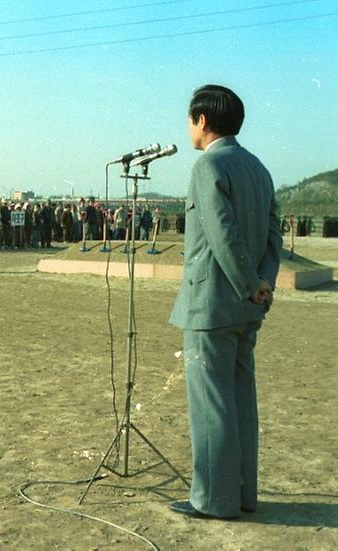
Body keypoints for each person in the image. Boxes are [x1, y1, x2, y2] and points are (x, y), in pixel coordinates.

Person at [168, 84, 281, 519]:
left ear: (201, 120)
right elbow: (273, 233)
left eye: (189, 120)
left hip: (212, 303)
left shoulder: (207, 165)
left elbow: (219, 232)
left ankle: (213, 500)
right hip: (248, 304)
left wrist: (246, 282)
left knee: (212, 405)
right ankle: (242, 494)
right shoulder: (258, 167)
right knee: (239, 401)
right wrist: (261, 284)